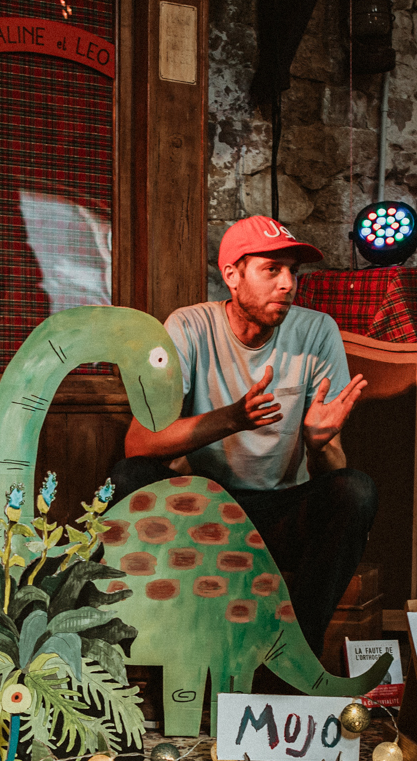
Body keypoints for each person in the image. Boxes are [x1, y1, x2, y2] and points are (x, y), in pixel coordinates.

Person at [109, 215, 374, 656]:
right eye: (272, 270)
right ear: (232, 276)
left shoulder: (316, 331)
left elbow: (336, 470)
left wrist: (318, 444)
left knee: (356, 491)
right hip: (202, 513)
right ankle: (136, 647)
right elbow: (138, 444)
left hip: (279, 514)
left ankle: (298, 650)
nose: (288, 284)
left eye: (293, 271)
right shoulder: (189, 326)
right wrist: (231, 419)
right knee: (128, 476)